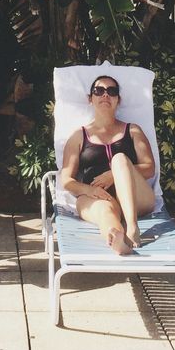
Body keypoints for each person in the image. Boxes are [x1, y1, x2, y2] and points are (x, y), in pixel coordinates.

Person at [59, 74, 157, 255]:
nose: (105, 95)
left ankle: (132, 228)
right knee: (105, 210)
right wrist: (90, 190)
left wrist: (114, 174)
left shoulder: (133, 130)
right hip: (97, 197)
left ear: (118, 100)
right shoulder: (79, 136)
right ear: (90, 99)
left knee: (119, 159)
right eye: (99, 91)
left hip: (137, 199)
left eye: (112, 91)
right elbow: (65, 179)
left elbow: (149, 168)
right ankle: (117, 238)